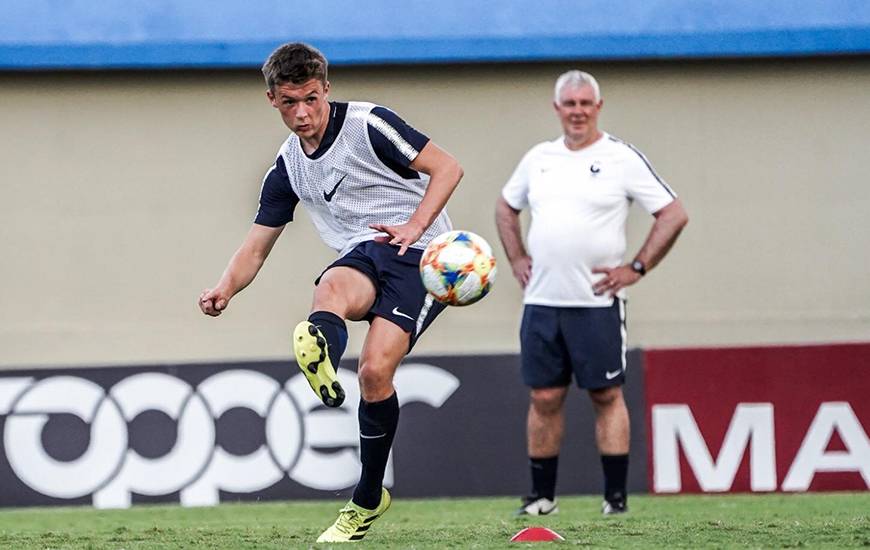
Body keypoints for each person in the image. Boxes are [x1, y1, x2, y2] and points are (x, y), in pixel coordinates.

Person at [198, 42, 463, 542]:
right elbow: (256, 246)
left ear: (327, 90)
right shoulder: (288, 167)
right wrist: (223, 289)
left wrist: (414, 224)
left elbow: (448, 167)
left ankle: (367, 497)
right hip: (362, 253)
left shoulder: (369, 124)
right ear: (271, 99)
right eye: (289, 102)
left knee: (374, 371)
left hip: (422, 254)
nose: (302, 114)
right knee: (332, 287)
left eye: (311, 100)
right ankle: (317, 345)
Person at [495, 70, 688, 516]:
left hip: (596, 303)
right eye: (570, 103)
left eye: (586, 103)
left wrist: (637, 267)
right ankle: (543, 496)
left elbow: (673, 213)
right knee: (544, 398)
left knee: (605, 395)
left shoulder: (621, 158)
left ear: (597, 107)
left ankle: (615, 499)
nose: (578, 111)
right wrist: (517, 257)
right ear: (557, 108)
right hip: (542, 302)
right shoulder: (538, 158)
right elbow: (506, 206)